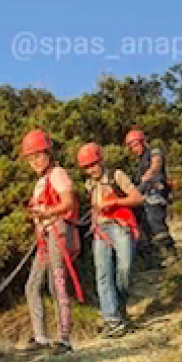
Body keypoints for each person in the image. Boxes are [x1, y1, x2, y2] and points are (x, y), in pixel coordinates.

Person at [20, 130, 80, 356]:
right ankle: (41, 338)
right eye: (30, 157)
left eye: (38, 155)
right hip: (45, 237)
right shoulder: (40, 182)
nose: (34, 161)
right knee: (32, 285)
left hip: (58, 233)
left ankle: (64, 340)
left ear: (47, 153)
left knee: (57, 285)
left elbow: (67, 203)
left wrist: (46, 213)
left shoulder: (57, 174)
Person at [78, 142, 144, 337]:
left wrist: (115, 202)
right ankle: (112, 319)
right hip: (101, 230)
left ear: (101, 161)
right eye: (87, 167)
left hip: (121, 226)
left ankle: (120, 311)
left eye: (93, 164)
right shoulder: (89, 185)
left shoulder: (117, 176)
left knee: (125, 269)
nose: (91, 170)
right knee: (103, 274)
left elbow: (138, 198)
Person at [125, 129, 177, 266]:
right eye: (131, 146)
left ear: (142, 142)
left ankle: (170, 254)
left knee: (157, 224)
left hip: (155, 194)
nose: (133, 148)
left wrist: (148, 176)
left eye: (135, 145)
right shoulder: (139, 161)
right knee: (145, 228)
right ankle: (152, 258)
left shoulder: (154, 152)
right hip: (144, 196)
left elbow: (155, 166)